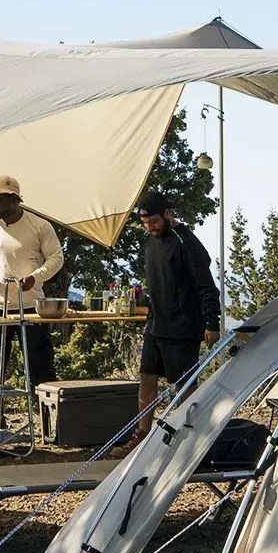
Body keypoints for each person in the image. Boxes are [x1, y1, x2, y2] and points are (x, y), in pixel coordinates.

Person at [116, 191, 220, 454]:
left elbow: (207, 286)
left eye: (153, 221)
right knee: (146, 378)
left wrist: (212, 323)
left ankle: (192, 439)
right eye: (145, 223)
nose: (150, 227)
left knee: (183, 386)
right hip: (156, 325)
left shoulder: (186, 242)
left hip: (183, 327)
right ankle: (141, 434)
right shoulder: (150, 243)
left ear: (167, 214)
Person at [0, 174, 64, 419]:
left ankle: (51, 422)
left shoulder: (39, 226)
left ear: (13, 199)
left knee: (40, 367)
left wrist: (35, 277)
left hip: (30, 307)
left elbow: (56, 257)